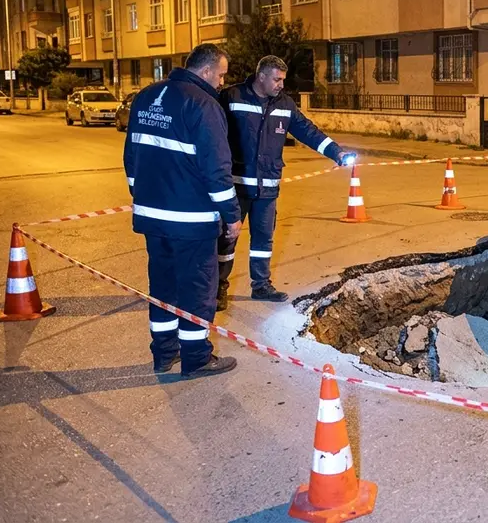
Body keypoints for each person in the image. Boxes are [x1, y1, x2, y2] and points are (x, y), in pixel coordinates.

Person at [123, 43, 241, 377]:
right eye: (220, 75)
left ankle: (164, 354)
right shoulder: (204, 104)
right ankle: (196, 358)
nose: (221, 82)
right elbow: (217, 170)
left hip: (152, 218)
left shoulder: (146, 97)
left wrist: (141, 194)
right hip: (191, 222)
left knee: (163, 287)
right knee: (198, 290)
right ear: (206, 71)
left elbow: (131, 156)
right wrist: (232, 216)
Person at [217, 55, 354, 308]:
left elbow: (308, 132)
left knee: (263, 241)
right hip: (235, 187)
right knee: (226, 239)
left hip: (267, 189)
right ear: (261, 76)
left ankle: (261, 286)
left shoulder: (285, 105)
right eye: (277, 79)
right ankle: (217, 288)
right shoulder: (232, 97)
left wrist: (337, 152)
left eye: (283, 80)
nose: (281, 84)